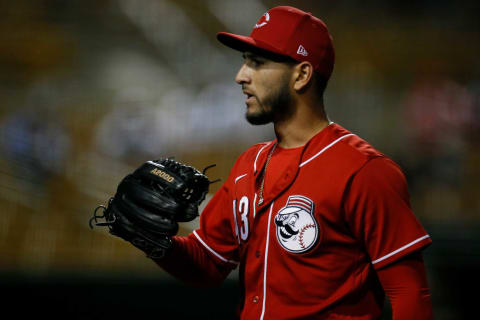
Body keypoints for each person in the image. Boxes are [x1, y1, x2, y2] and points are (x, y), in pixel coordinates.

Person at [156, 6, 433, 319]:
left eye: (257, 63)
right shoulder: (249, 163)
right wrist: (156, 242)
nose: (241, 76)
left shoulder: (364, 170)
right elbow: (207, 263)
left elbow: (410, 293)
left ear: (302, 75)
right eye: (245, 61)